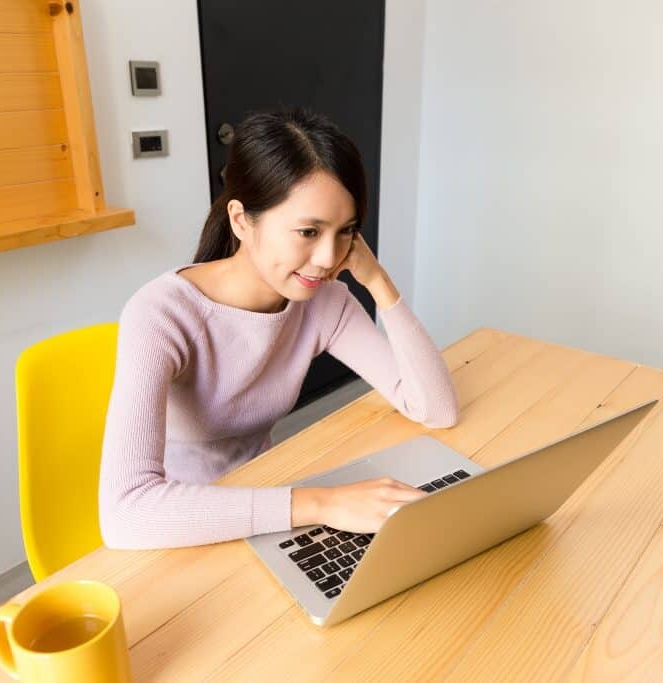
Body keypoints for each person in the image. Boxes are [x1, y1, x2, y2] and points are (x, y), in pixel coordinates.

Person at [99, 108, 459, 549]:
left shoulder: (323, 302)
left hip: (270, 505)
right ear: (240, 220)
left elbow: (436, 408)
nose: (329, 258)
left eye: (346, 231)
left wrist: (379, 282)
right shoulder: (161, 316)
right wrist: (322, 505)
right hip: (180, 525)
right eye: (308, 231)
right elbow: (125, 514)